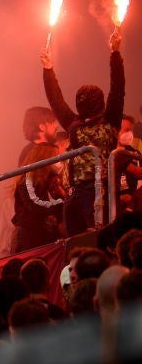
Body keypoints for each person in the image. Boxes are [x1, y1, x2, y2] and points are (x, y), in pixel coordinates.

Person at [41, 30, 125, 235]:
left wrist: (115, 53)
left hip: (101, 189)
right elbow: (56, 101)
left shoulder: (110, 119)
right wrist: (48, 69)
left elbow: (118, 87)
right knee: (74, 243)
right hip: (73, 193)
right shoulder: (73, 124)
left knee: (100, 236)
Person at [11, 142, 65, 252]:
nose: (59, 162)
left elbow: (58, 214)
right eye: (55, 157)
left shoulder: (51, 183)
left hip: (44, 237)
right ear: (45, 158)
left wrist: (59, 192)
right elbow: (37, 206)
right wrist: (59, 197)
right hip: (28, 235)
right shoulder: (26, 180)